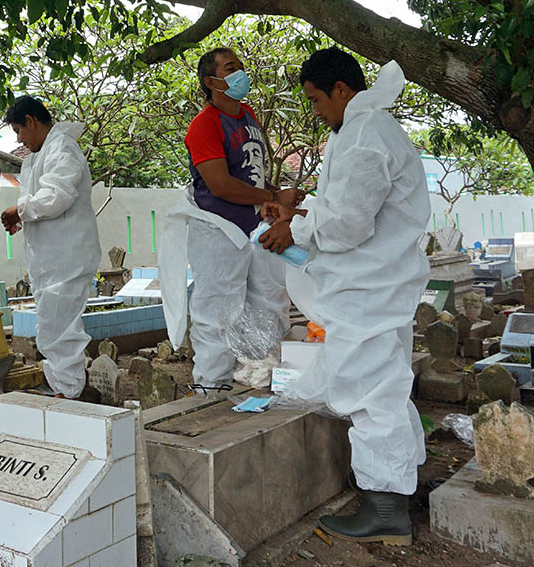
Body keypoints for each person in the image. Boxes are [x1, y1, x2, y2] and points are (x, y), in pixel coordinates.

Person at [259, 48, 428, 546]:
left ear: (340, 89)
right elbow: (348, 206)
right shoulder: (360, 129)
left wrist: (298, 232)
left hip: (368, 287)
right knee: (386, 384)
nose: (314, 111)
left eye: (315, 99)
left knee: (370, 393)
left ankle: (386, 511)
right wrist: (297, 219)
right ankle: (401, 487)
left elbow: (349, 223)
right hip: (375, 283)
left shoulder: (364, 133)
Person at [181, 47, 301, 388]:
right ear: (211, 81)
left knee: (270, 302)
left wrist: (279, 196)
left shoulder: (247, 115)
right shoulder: (203, 125)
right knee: (218, 313)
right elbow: (220, 185)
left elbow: (252, 176)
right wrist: (274, 196)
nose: (240, 74)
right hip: (219, 230)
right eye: (231, 68)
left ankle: (263, 380)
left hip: (254, 226)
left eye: (240, 67)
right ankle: (210, 388)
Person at [0, 96, 100, 399]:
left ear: (31, 121)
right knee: (53, 323)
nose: (19, 139)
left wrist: (20, 210)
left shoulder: (63, 147)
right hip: (52, 257)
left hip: (67, 255)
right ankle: (66, 385)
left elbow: (58, 195)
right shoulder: (41, 154)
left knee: (59, 326)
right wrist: (25, 217)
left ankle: (69, 391)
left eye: (19, 130)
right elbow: (43, 201)